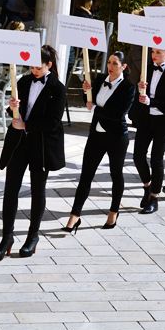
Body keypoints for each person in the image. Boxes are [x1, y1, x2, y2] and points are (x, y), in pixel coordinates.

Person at [0, 45, 66, 261]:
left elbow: (53, 122)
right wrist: (12, 106)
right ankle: (7, 237)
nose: (33, 70)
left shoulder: (58, 88)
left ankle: (32, 237)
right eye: (31, 66)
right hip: (18, 143)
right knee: (10, 190)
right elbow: (15, 111)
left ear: (48, 65)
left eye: (37, 66)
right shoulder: (24, 81)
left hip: (41, 145)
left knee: (37, 191)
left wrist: (25, 125)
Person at [63, 52, 135, 232]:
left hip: (117, 136)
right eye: (109, 62)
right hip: (96, 134)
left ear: (124, 67)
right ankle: (75, 215)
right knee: (86, 174)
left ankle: (113, 212)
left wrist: (95, 106)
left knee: (115, 173)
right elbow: (88, 101)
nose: (110, 66)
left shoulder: (128, 87)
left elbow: (118, 113)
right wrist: (86, 91)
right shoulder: (100, 78)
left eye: (115, 63)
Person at [132, 46, 165, 215]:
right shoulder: (147, 70)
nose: (154, 55)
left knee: (156, 158)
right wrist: (140, 89)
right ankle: (147, 186)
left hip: (164, 121)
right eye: (153, 52)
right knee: (138, 155)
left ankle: (154, 197)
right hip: (146, 118)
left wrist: (150, 101)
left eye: (159, 52)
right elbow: (141, 95)